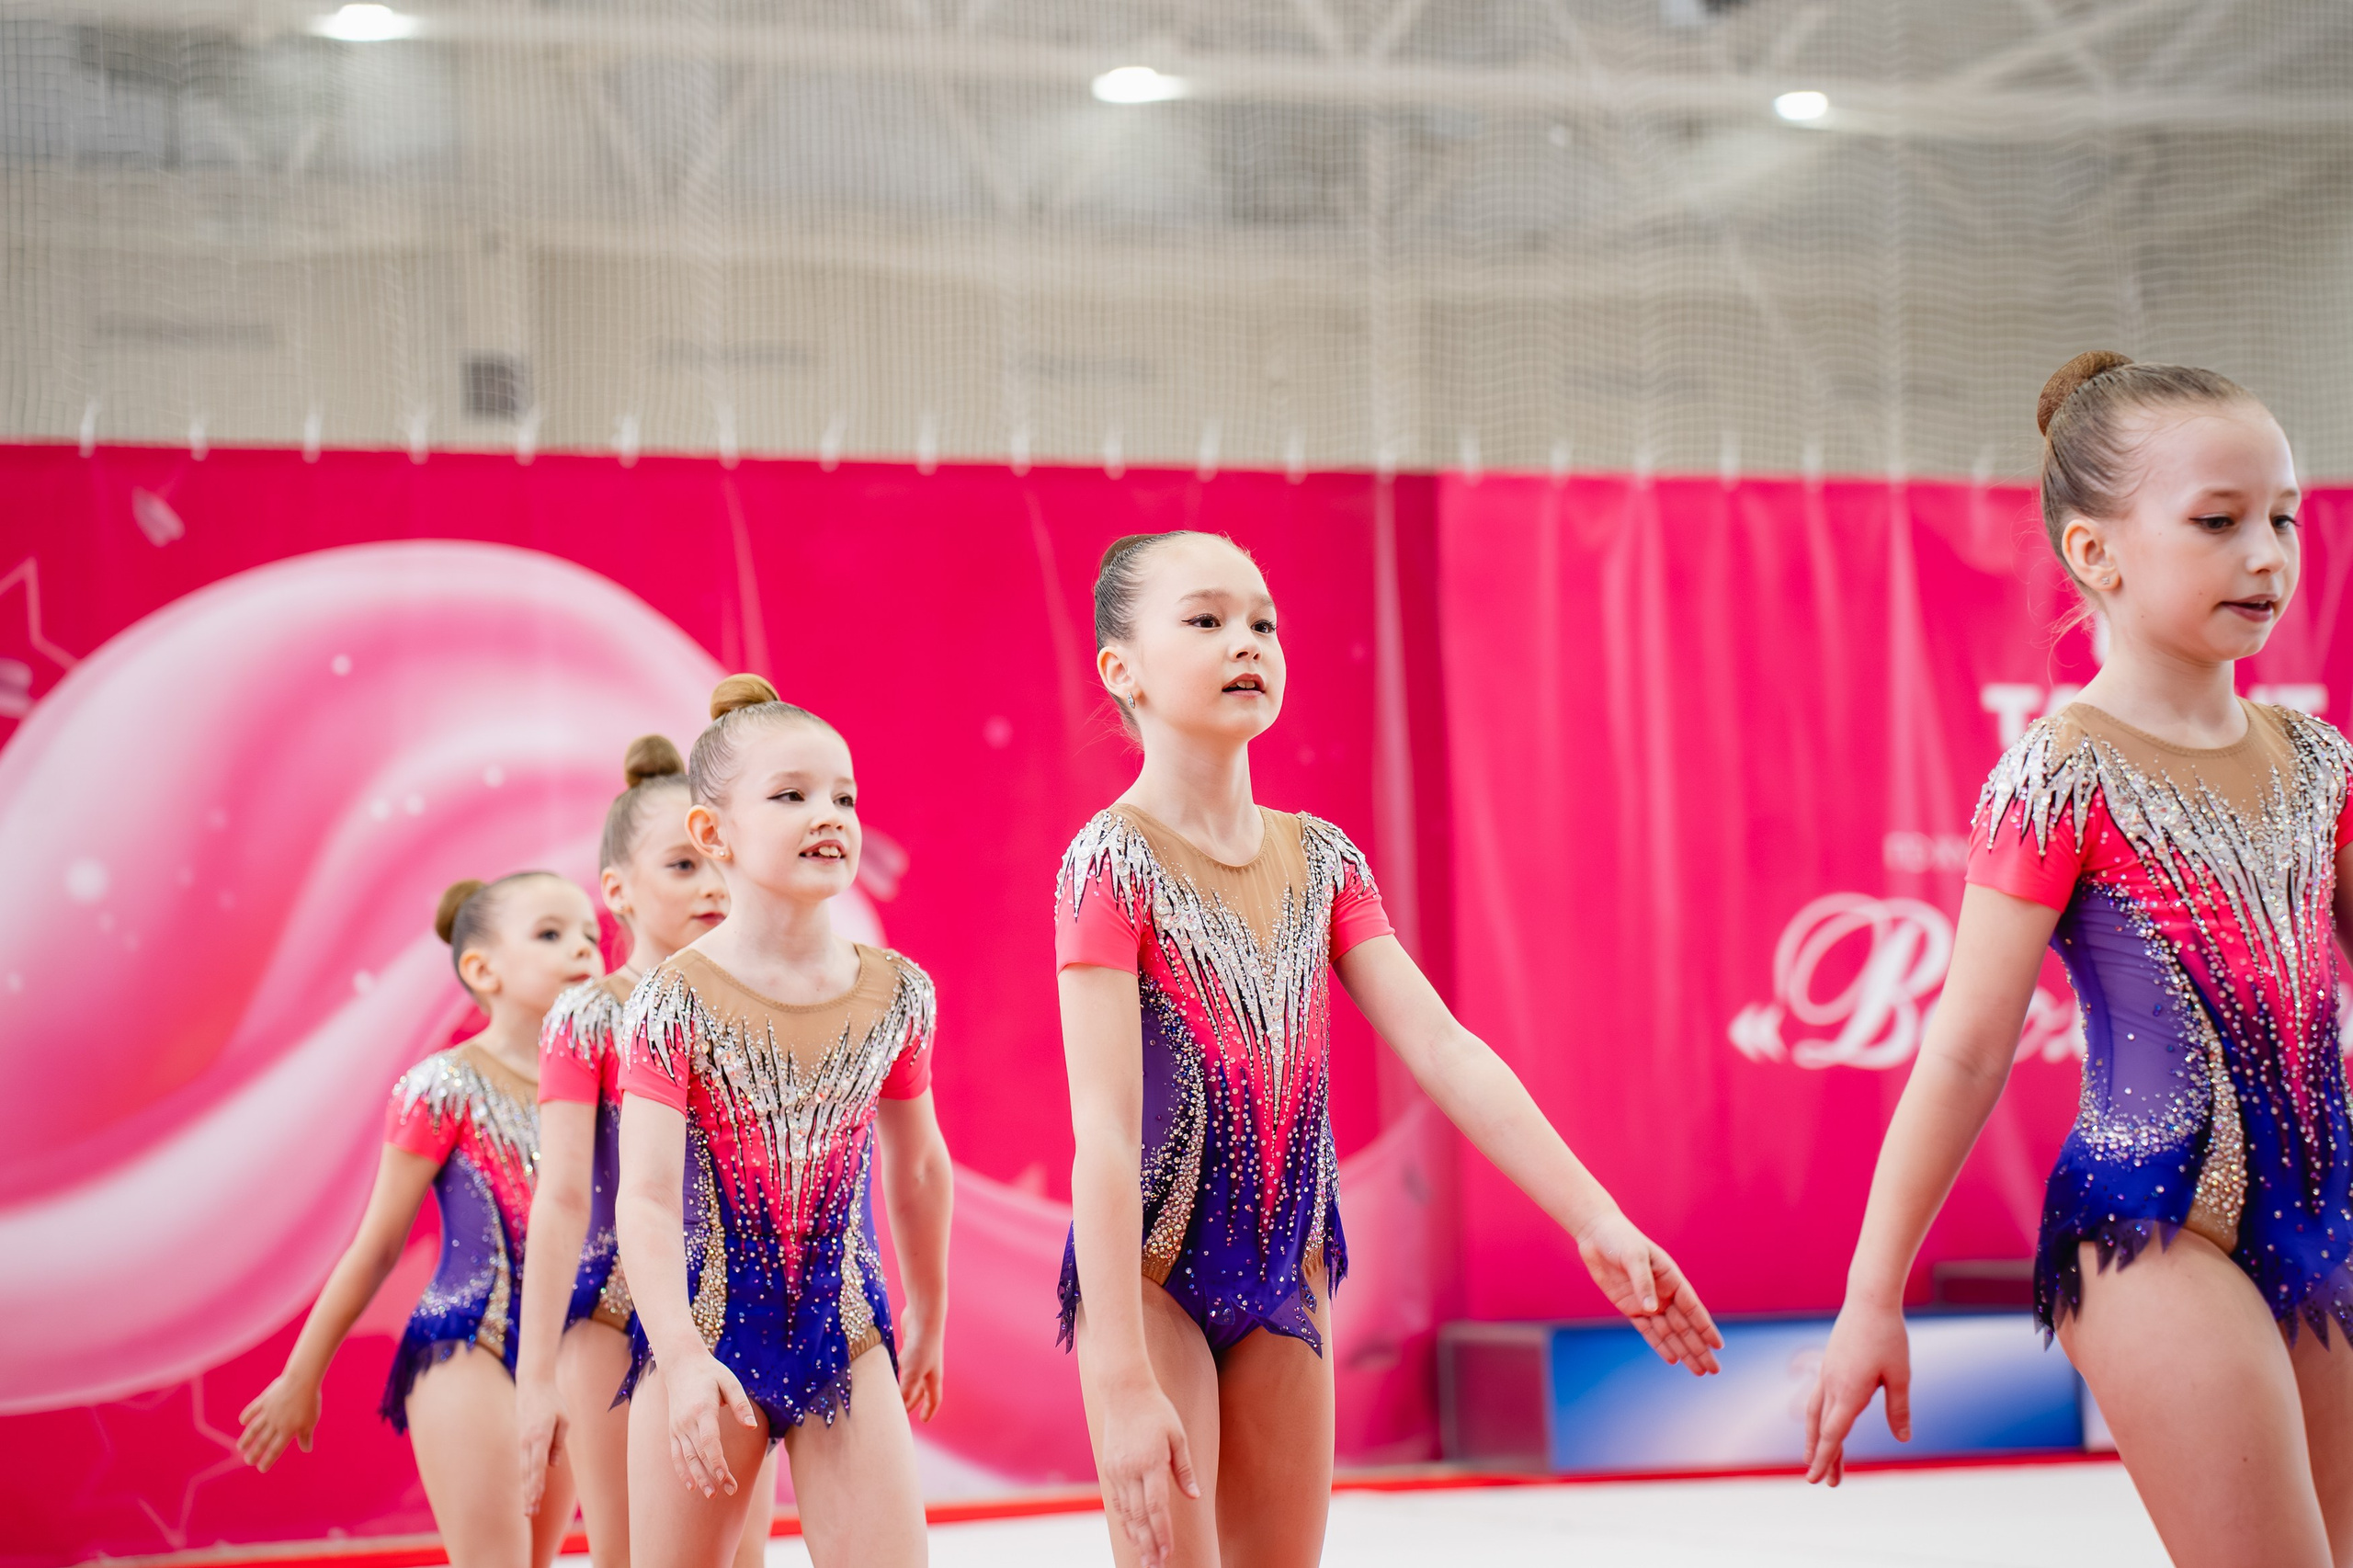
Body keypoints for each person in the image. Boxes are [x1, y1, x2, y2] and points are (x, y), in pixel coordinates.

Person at [1059, 530, 1722, 1568]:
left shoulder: (1321, 858)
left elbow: (1445, 1046)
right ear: (1121, 668)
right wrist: (1120, 1377)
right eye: (1206, 619)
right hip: (1146, 1278)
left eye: (1262, 621)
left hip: (1287, 1270)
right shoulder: (1112, 859)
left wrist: (1597, 1220)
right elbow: (1100, 1128)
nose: (1247, 641)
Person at [1806, 352, 2353, 1567]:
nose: (2267, 556)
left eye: (2283, 518)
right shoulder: (2060, 775)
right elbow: (1961, 1052)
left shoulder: (2321, 765)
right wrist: (1870, 1294)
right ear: (2096, 553)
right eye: (2218, 522)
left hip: (2327, 1215)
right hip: (2154, 1229)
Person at [614, 676, 951, 1568]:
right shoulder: (671, 998)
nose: (828, 813)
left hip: (848, 1335)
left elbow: (917, 1169)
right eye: (792, 795)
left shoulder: (897, 991)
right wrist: (681, 1357)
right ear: (712, 833)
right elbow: (644, 1200)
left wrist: (931, 1312)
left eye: (843, 794)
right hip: (705, 1341)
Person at [238, 873, 603, 1568]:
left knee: (536, 1560)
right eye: (552, 935)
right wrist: (301, 1375)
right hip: (467, 1345)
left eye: (592, 935)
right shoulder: (441, 1088)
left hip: (562, 1356)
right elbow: (376, 1248)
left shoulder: (605, 1086)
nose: (583, 950)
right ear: (481, 968)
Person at [515, 736, 778, 1568]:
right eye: (681, 866)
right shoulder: (589, 1016)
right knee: (633, 1556)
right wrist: (535, 1379)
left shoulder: (754, 1002)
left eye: (717, 863)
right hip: (614, 1319)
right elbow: (559, 1199)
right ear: (617, 891)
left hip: (736, 1308)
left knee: (741, 1555)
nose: (710, 885)